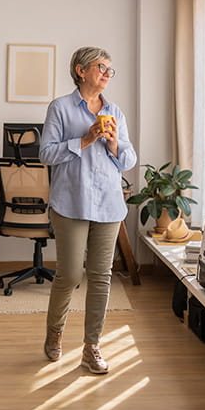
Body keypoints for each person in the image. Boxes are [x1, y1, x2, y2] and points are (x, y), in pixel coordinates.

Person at [38, 46, 137, 374]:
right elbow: (46, 155)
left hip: (109, 203)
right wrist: (84, 139)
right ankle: (54, 334)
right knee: (69, 274)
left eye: (111, 69)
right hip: (71, 203)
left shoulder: (115, 112)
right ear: (80, 70)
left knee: (101, 276)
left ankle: (91, 347)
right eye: (101, 67)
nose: (108, 74)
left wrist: (112, 144)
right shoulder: (61, 108)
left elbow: (129, 158)